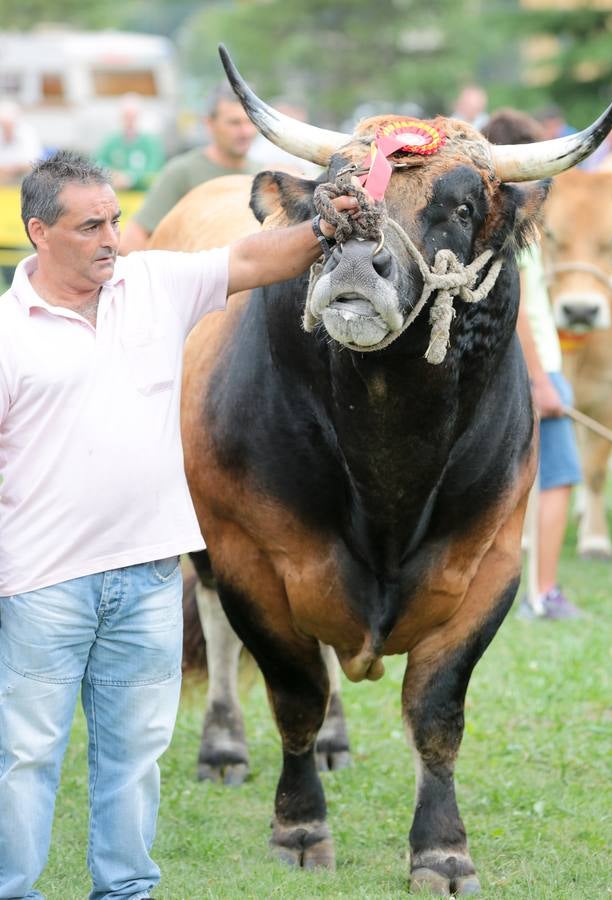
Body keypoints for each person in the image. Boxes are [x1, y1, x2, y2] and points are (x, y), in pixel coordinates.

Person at [0, 150, 358, 899]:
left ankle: (126, 891)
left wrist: (330, 216)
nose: (110, 238)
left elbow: (261, 255)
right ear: (38, 231)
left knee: (134, 755)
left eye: (114, 220)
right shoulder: (8, 335)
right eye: (89, 226)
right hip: (41, 584)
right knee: (28, 755)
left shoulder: (151, 285)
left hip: (149, 576)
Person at [482, 108, 583, 620]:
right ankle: (543, 594)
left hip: (518, 365)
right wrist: (542, 381)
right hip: (534, 366)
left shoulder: (482, 218)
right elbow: (517, 303)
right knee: (557, 476)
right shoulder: (514, 222)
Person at [119, 82, 262, 254]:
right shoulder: (182, 172)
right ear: (209, 124)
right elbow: (131, 243)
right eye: (234, 123)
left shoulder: (263, 177)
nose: (245, 132)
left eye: (250, 121)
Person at [95, 93, 165, 191]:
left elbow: (153, 171)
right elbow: (97, 163)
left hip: (142, 196)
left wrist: (131, 179)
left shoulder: (150, 143)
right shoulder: (111, 141)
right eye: (126, 116)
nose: (129, 121)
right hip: (116, 195)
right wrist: (112, 175)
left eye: (133, 117)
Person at [0, 99, 43, 184]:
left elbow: (34, 162)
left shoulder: (28, 133)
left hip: (23, 180)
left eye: (9, 124)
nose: (6, 128)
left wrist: (13, 169)